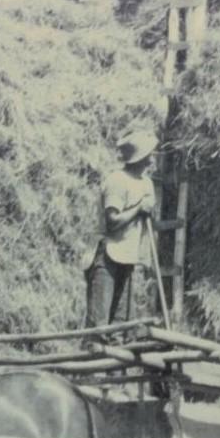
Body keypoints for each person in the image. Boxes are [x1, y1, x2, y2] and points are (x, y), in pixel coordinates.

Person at [84, 129, 159, 329]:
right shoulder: (117, 180)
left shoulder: (147, 184)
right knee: (99, 323)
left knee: (120, 322)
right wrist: (138, 208)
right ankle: (94, 354)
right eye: (150, 153)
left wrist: (149, 209)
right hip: (108, 254)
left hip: (128, 255)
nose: (153, 156)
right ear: (141, 157)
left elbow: (148, 219)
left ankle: (116, 353)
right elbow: (112, 222)